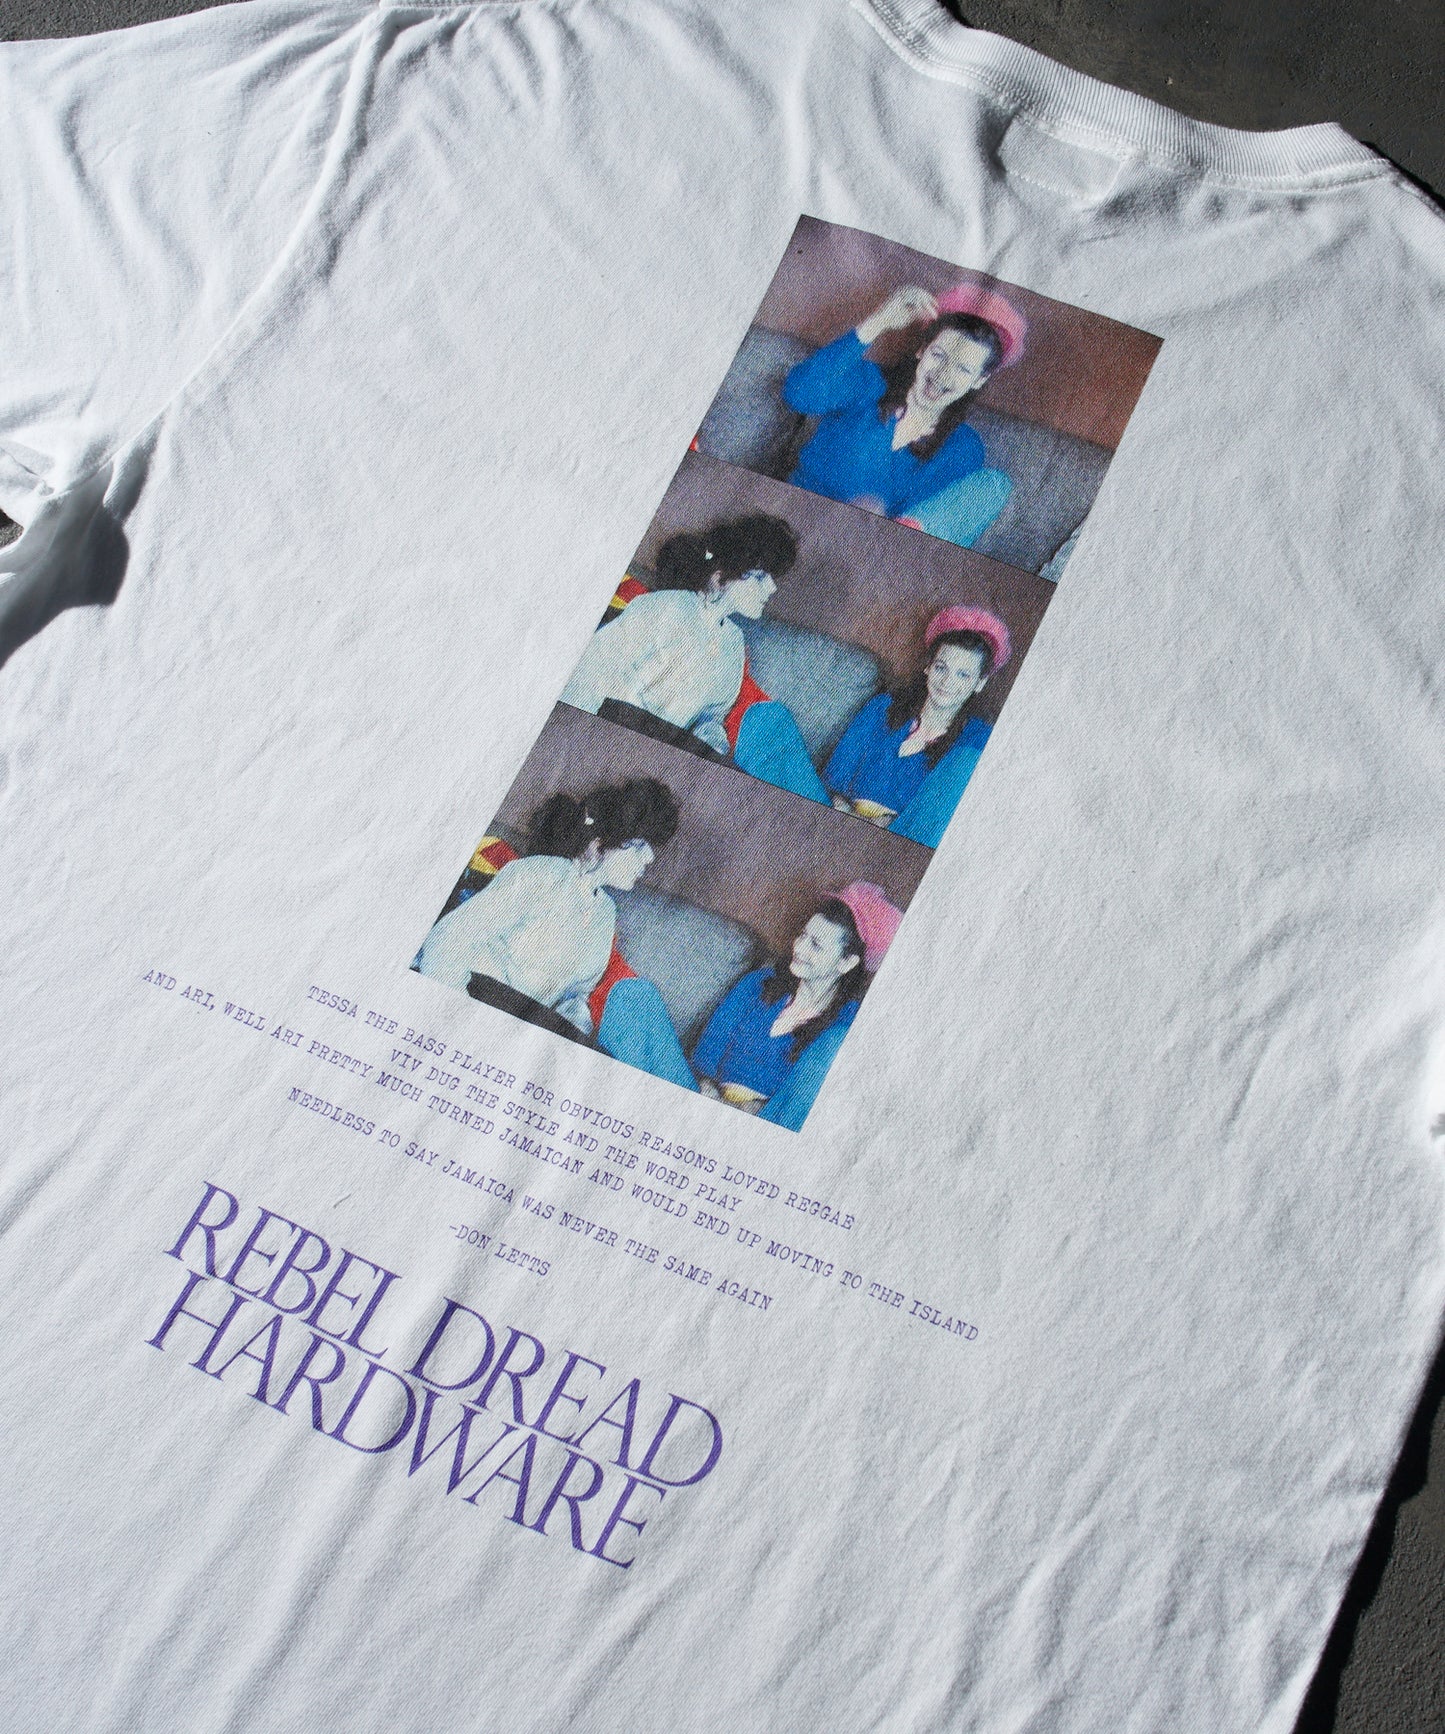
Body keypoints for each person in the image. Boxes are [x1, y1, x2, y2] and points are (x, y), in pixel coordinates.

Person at [560, 512, 830, 802]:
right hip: (614, 731)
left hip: (669, 757)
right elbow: (592, 668)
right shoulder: (667, 607)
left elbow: (710, 718)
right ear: (720, 576)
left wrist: (711, 746)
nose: (772, 588)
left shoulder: (734, 643)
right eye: (760, 577)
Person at [414, 777, 678, 1036]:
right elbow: (447, 941)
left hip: (519, 1031)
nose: (649, 858)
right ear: (598, 843)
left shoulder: (605, 914)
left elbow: (574, 998)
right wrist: (456, 1017)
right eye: (638, 846)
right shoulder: (539, 875)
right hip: (472, 1004)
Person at [781, 281, 1025, 547]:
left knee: (996, 484)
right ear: (921, 351)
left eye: (963, 369)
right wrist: (879, 321)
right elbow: (798, 394)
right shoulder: (869, 384)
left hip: (869, 548)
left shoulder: (963, 447)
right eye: (939, 355)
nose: (943, 374)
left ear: (979, 380)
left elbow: (930, 521)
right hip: (796, 520)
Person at [692, 882, 903, 1130]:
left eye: (816, 945)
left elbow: (810, 1103)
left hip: (766, 1125)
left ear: (846, 963)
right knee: (649, 999)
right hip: (704, 1101)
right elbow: (705, 1057)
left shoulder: (845, 1028)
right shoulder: (758, 983)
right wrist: (708, 1094)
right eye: (803, 935)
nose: (799, 948)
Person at [824, 605, 1010, 848]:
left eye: (963, 675)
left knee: (968, 758)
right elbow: (835, 778)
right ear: (928, 668)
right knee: (777, 719)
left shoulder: (978, 740)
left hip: (900, 842)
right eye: (941, 668)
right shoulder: (883, 707)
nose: (947, 682)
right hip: (839, 818)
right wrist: (843, 815)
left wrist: (887, 824)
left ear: (979, 683)